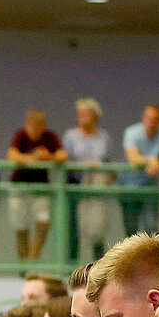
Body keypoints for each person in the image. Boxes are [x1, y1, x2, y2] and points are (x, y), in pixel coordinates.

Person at [6, 109, 65, 261]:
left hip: (41, 188)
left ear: (43, 125)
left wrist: (47, 157)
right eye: (31, 126)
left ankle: (31, 261)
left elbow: (62, 155)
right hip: (19, 187)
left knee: (43, 222)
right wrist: (33, 158)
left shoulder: (50, 137)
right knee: (21, 228)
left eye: (38, 126)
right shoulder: (21, 135)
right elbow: (12, 155)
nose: (34, 130)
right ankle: (24, 264)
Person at [62, 97, 115, 261]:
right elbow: (65, 160)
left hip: (98, 187)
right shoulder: (70, 136)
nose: (83, 117)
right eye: (80, 114)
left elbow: (109, 162)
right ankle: (71, 268)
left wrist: (106, 173)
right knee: (74, 228)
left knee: (97, 227)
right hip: (77, 185)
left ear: (95, 116)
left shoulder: (104, 137)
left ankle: (97, 268)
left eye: (87, 114)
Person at [120, 103, 159, 235]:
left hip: (151, 187)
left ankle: (150, 256)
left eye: (155, 119)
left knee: (151, 227)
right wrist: (152, 160)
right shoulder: (132, 132)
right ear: (143, 118)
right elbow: (133, 157)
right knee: (130, 228)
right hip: (129, 186)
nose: (151, 122)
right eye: (148, 118)